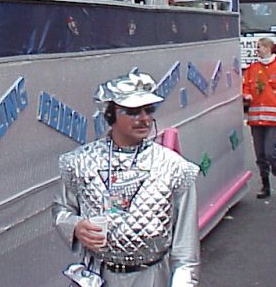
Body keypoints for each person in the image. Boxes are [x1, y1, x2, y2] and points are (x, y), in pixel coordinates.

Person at [53, 72, 199, 286]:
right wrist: (75, 226)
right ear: (111, 115)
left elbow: (186, 249)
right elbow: (61, 209)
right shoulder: (79, 163)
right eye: (132, 112)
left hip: (151, 277)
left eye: (148, 110)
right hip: (97, 275)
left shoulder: (174, 167)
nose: (144, 118)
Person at [242, 37, 276, 199]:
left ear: (269, 48)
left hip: (274, 120)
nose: (257, 50)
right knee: (260, 155)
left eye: (260, 47)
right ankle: (265, 184)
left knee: (271, 153)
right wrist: (246, 95)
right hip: (256, 120)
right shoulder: (252, 69)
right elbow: (245, 86)